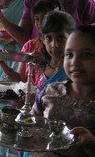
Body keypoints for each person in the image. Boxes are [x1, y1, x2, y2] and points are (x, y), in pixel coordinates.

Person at [30, 25, 95, 157]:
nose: (75, 62)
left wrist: (91, 144)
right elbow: (29, 122)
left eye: (86, 55)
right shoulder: (50, 91)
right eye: (69, 54)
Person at [0, 9, 74, 89]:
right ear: (43, 40)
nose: (54, 45)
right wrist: (2, 63)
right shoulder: (43, 65)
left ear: (72, 38)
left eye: (61, 38)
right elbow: (21, 81)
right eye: (49, 38)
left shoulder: (73, 70)